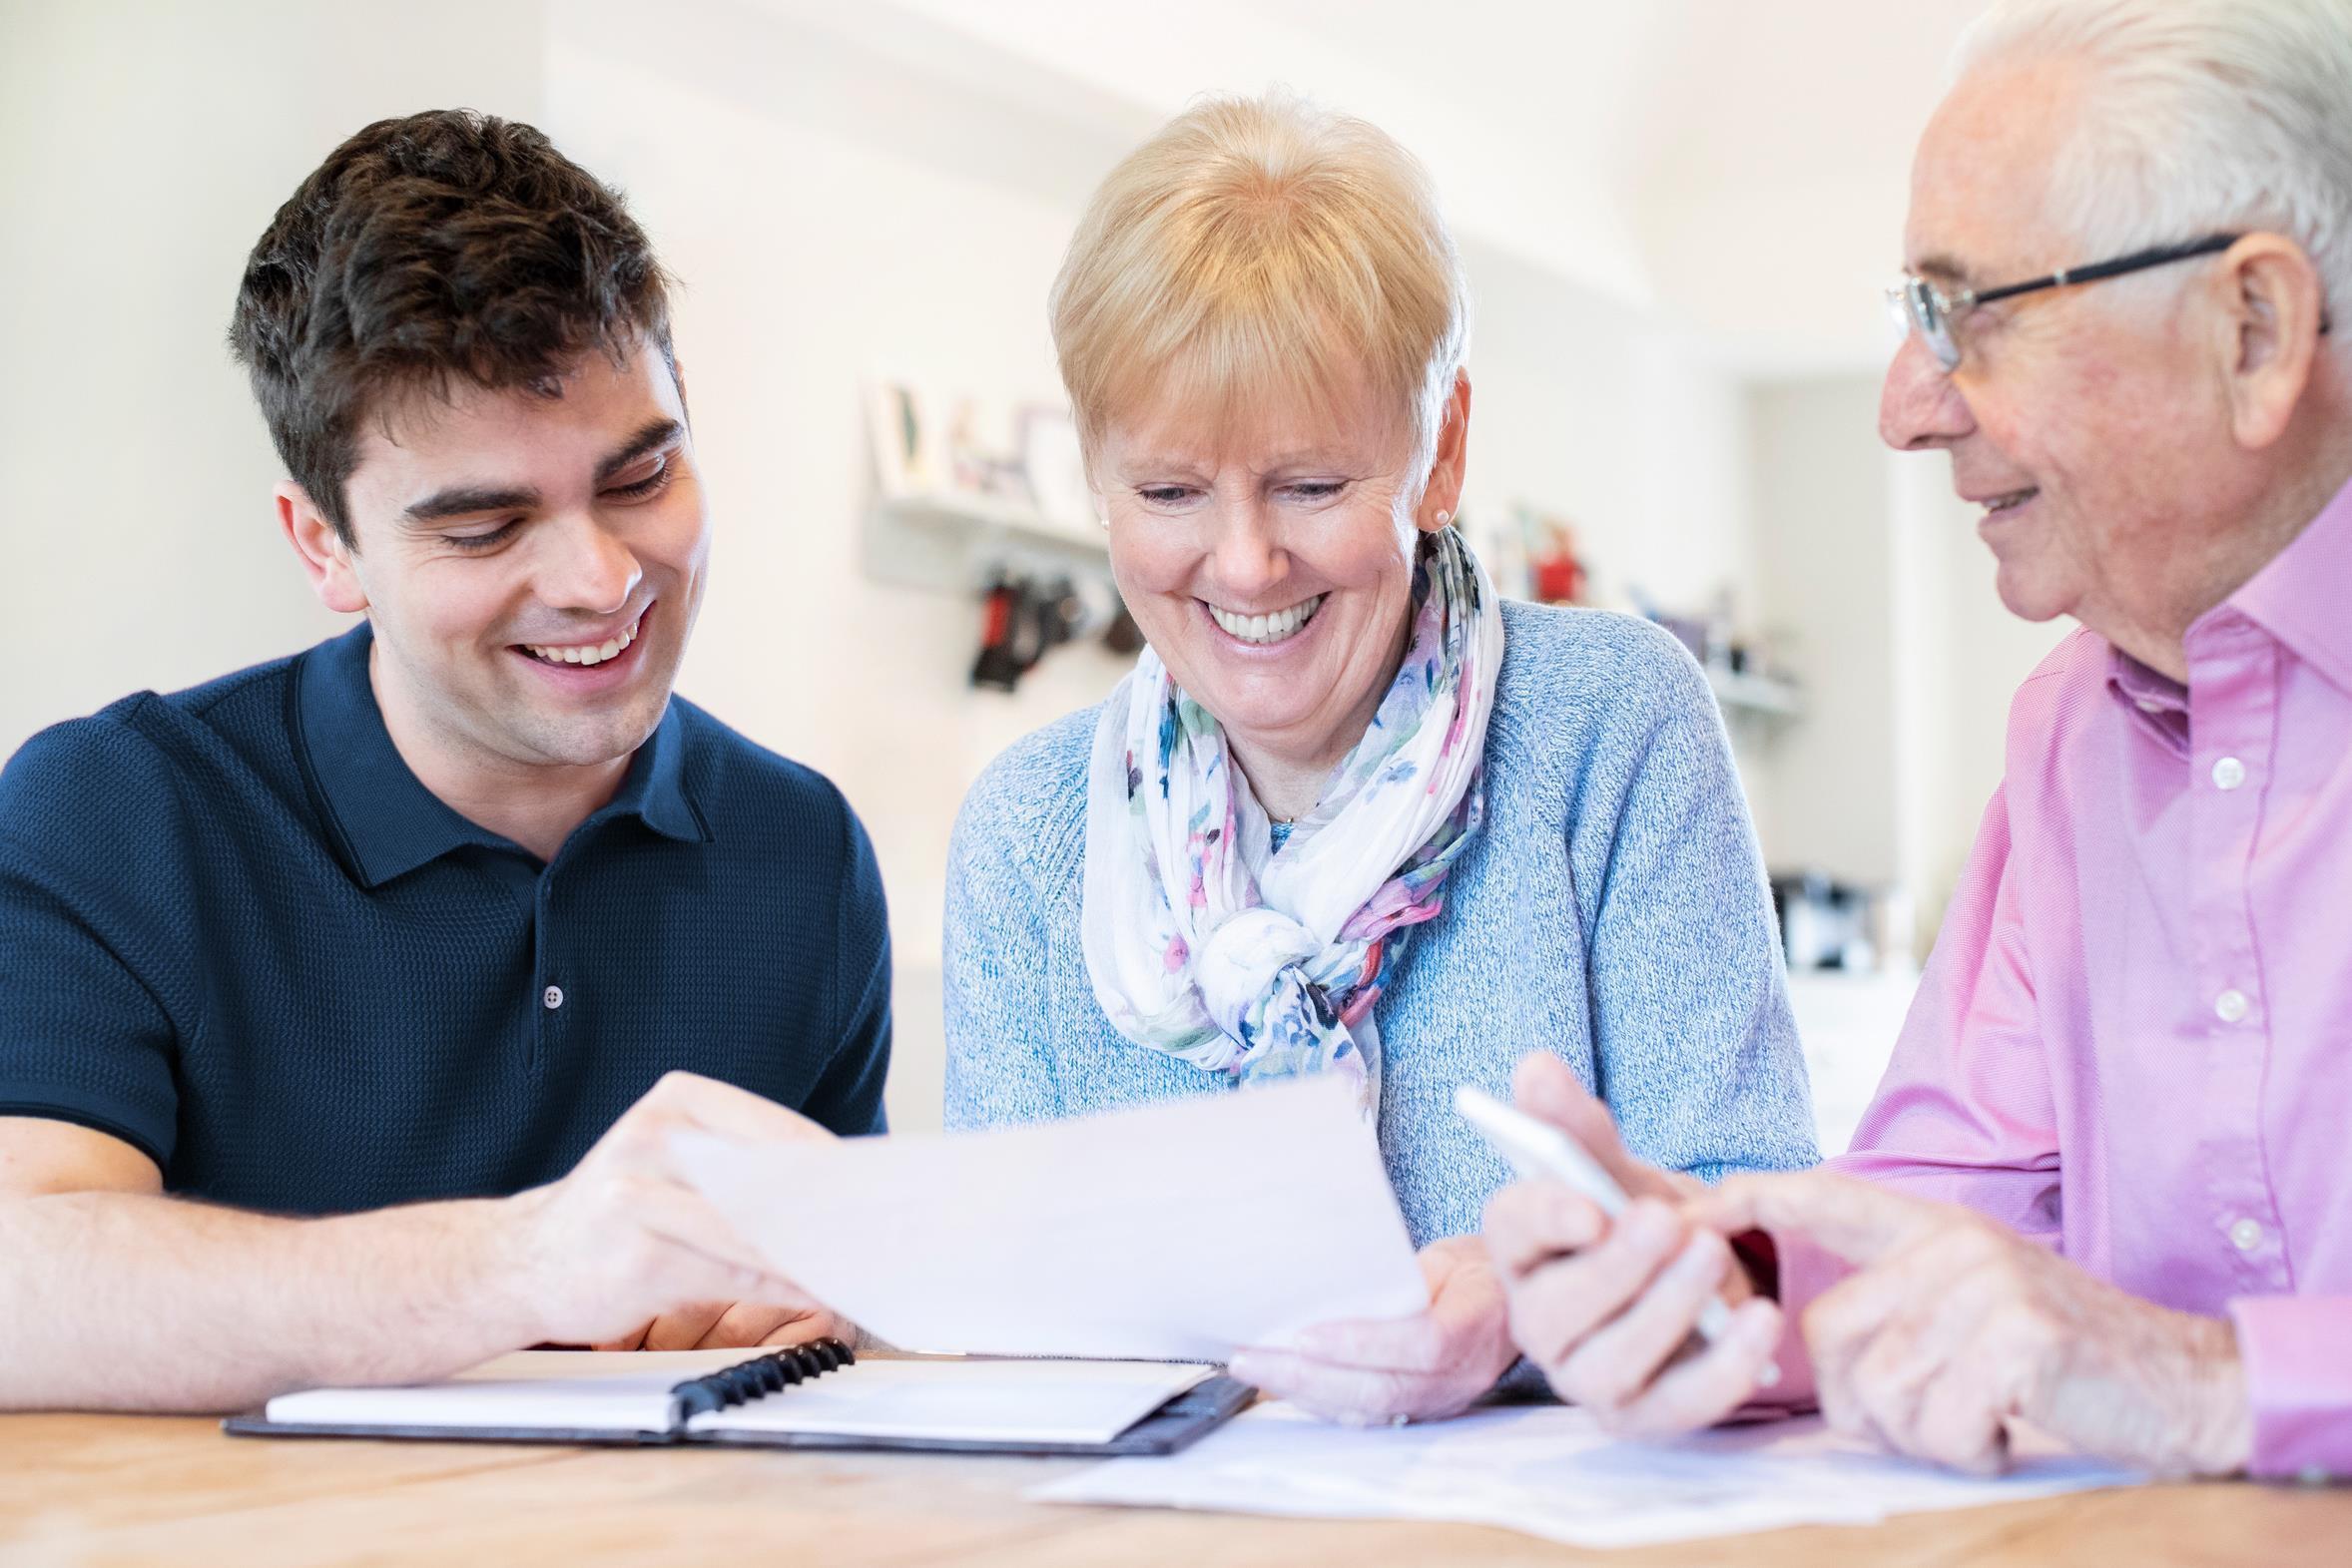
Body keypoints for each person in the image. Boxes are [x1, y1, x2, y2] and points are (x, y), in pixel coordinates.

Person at [1484, 0, 2352, 1482]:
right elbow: (1950, 1218)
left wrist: (2218, 1386)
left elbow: (2141, 1367)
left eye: (1972, 314)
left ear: (2253, 331)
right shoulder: (2069, 736)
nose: (1903, 409)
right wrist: (1715, 1280)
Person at [943, 93, 1816, 1425]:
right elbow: (999, 1319)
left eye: (1310, 486)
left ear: (1442, 448)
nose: (1243, 565)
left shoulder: (1610, 724)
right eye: (1171, 493)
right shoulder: (1026, 829)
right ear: (1095, 479)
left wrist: (1529, 1308)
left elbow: (1762, 1251)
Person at [0, 111, 890, 1411]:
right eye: (484, 524)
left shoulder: (801, 852)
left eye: (641, 474)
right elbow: (22, 1288)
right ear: (326, 549)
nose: (600, 581)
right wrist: (534, 1266)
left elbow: (825, 1316)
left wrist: (826, 1299)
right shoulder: (117, 815)